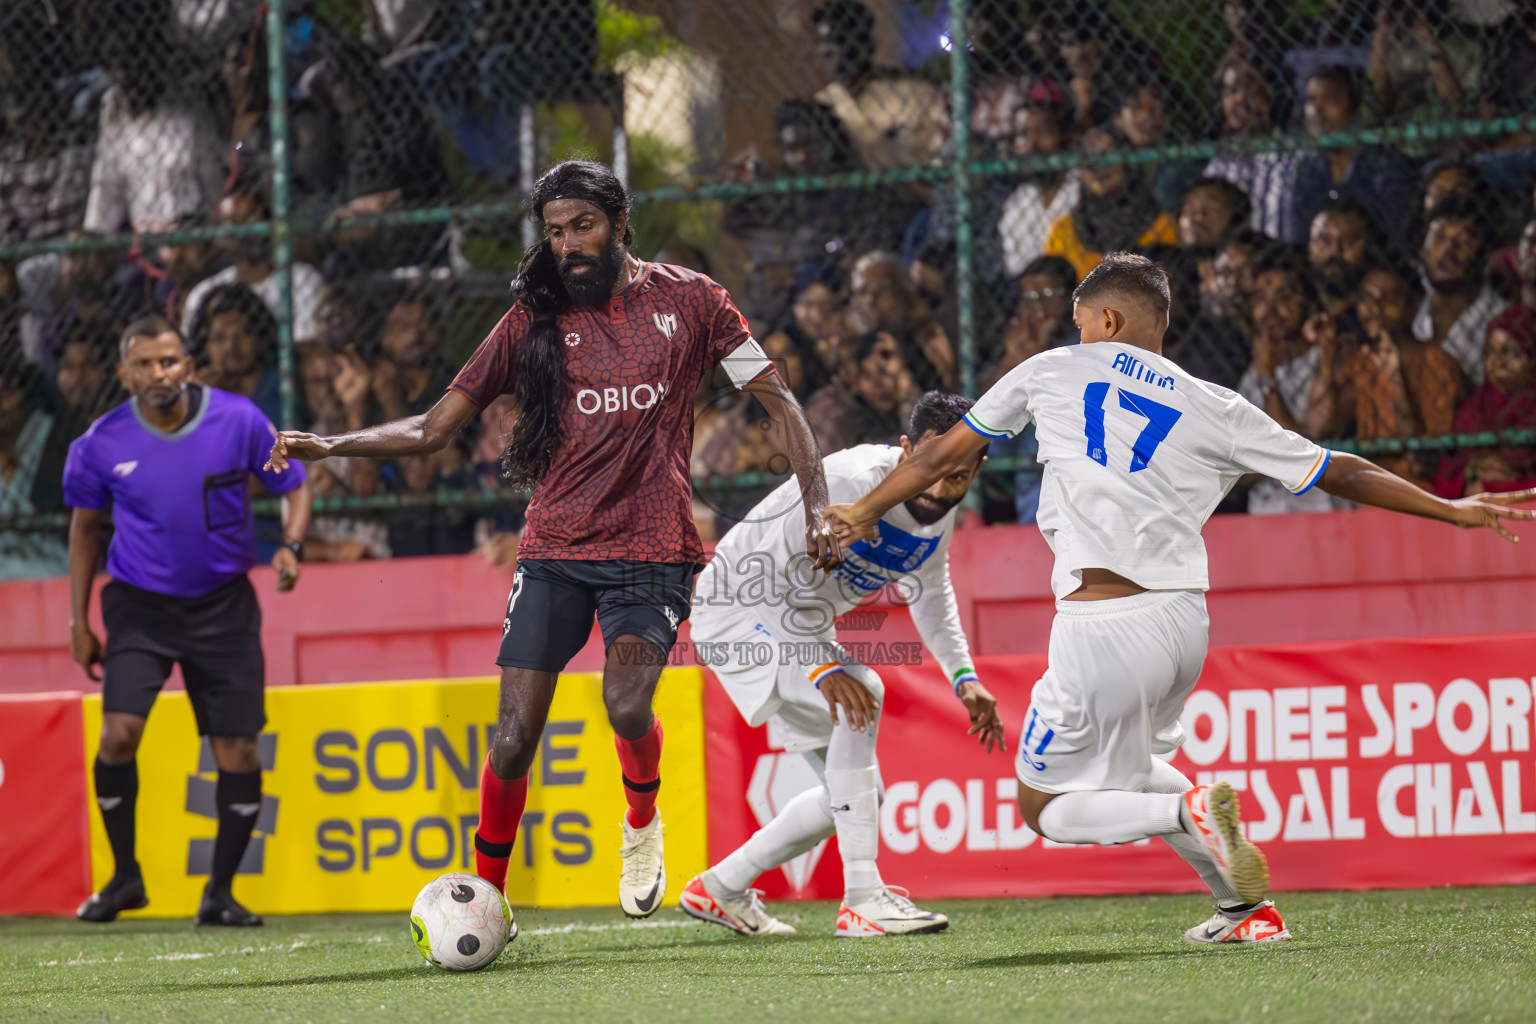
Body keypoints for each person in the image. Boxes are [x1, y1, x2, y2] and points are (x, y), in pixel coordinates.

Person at [825, 252, 1536, 946]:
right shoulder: (1215, 403)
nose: (1076, 337)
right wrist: (1453, 509)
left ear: (1103, 318)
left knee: (1042, 806)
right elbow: (1337, 469)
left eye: (1079, 323)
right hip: (1182, 625)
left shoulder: (1052, 369)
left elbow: (942, 453)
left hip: (1100, 623)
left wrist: (863, 512)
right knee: (1131, 771)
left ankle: (1186, 810)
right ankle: (1243, 909)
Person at [263, 160, 841, 917]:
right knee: (510, 740)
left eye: (583, 226)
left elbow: (778, 399)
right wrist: (335, 444)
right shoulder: (531, 321)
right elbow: (435, 428)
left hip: (652, 551)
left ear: (620, 221)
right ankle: (486, 898)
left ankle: (641, 819)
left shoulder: (695, 303)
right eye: (556, 230)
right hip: (555, 551)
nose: (568, 244)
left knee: (628, 707)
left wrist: (819, 506)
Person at [682, 391, 1003, 938]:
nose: (939, 489)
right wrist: (820, 667)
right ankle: (862, 898)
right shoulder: (850, 479)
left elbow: (929, 590)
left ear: (977, 467)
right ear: (908, 450)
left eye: (958, 477)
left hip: (798, 624)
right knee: (862, 689)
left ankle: (719, 888)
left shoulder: (938, 515)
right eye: (932, 468)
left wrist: (964, 677)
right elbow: (763, 574)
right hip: (737, 606)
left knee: (855, 795)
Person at [64, 316, 312, 926]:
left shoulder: (240, 420)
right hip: (139, 606)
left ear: (189, 366)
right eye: (145, 364)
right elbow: (84, 532)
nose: (159, 373)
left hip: (224, 604)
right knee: (118, 734)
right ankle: (124, 879)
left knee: (238, 749)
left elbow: (295, 485)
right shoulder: (99, 443)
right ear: (124, 374)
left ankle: (219, 895)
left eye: (170, 361)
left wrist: (292, 545)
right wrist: (78, 620)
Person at [809, 1, 945, 172]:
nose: (833, 53)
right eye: (824, 45)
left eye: (843, 41)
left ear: (869, 44)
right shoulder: (825, 103)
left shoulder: (909, 91)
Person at [179, 190, 327, 347]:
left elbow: (306, 344)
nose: (246, 232)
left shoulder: (302, 279)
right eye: (235, 223)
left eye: (252, 219)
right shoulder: (205, 291)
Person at [1044, 127, 1176, 281]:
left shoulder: (1162, 226)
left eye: (1108, 154)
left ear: (1128, 164)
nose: (1098, 166)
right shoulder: (1062, 231)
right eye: (1088, 157)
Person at [1433, 307, 1536, 499]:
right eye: (1491, 353)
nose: (1499, 364)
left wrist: (1499, 484)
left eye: (1513, 354)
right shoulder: (1475, 406)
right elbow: (1447, 474)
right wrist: (1472, 469)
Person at [1413, 199, 1509, 387]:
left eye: (1463, 242)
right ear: (1421, 249)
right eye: (1439, 237)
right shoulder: (1410, 303)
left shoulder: (1502, 323)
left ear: (1484, 255)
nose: (1449, 250)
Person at [189, 284, 284, 425]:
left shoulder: (281, 392)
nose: (230, 346)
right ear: (205, 344)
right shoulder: (196, 395)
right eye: (219, 337)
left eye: (242, 334)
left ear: (259, 337)